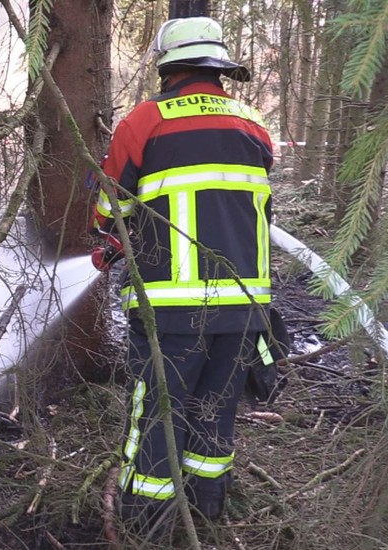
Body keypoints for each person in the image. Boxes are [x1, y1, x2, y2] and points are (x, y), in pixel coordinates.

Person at [89, 16, 275, 541]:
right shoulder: (253, 124)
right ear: (218, 67)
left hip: (171, 310)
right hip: (243, 308)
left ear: (168, 68)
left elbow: (109, 208)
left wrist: (108, 241)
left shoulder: (145, 121)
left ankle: (145, 525)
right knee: (215, 412)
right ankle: (206, 514)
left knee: (157, 416)